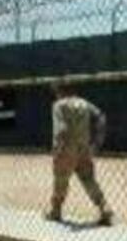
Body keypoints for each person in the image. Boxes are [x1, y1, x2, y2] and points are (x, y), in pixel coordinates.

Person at [46, 82, 112, 226]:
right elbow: (101, 117)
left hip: (66, 148)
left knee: (61, 180)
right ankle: (104, 207)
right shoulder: (84, 103)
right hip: (84, 147)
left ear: (60, 90)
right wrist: (97, 143)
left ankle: (56, 211)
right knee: (88, 179)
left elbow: (61, 129)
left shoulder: (59, 105)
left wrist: (59, 150)